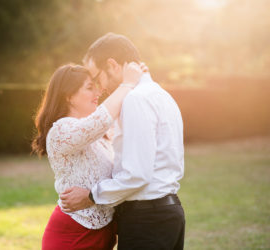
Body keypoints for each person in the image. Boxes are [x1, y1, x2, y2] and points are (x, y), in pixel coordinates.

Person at [61, 33, 185, 250]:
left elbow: (136, 175)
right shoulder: (161, 94)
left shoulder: (135, 100)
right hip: (168, 215)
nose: (99, 88)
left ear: (112, 65)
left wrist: (91, 195)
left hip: (147, 221)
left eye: (97, 78)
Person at [32, 62, 145, 249]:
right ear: (69, 96)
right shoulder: (61, 131)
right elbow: (101, 118)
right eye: (90, 88)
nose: (98, 93)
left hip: (104, 235)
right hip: (72, 236)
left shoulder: (99, 133)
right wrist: (127, 83)